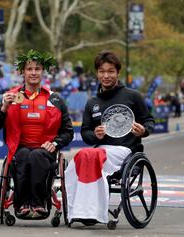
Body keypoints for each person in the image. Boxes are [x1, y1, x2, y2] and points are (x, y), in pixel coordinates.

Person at [65, 51, 154, 224]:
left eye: (110, 71)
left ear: (118, 73)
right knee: (80, 157)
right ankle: (80, 210)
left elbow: (149, 120)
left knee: (91, 155)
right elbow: (86, 133)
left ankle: (92, 212)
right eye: (102, 71)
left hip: (126, 151)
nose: (106, 76)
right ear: (97, 73)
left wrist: (143, 130)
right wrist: (95, 134)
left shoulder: (132, 96)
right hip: (101, 150)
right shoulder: (92, 102)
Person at [0, 49, 74, 218]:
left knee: (37, 156)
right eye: (29, 69)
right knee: (25, 154)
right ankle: (22, 203)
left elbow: (68, 132)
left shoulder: (55, 99)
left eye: (37, 69)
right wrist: (3, 108)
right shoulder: (11, 97)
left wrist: (55, 143)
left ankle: (39, 203)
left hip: (46, 151)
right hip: (19, 149)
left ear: (43, 72)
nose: (33, 72)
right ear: (22, 72)